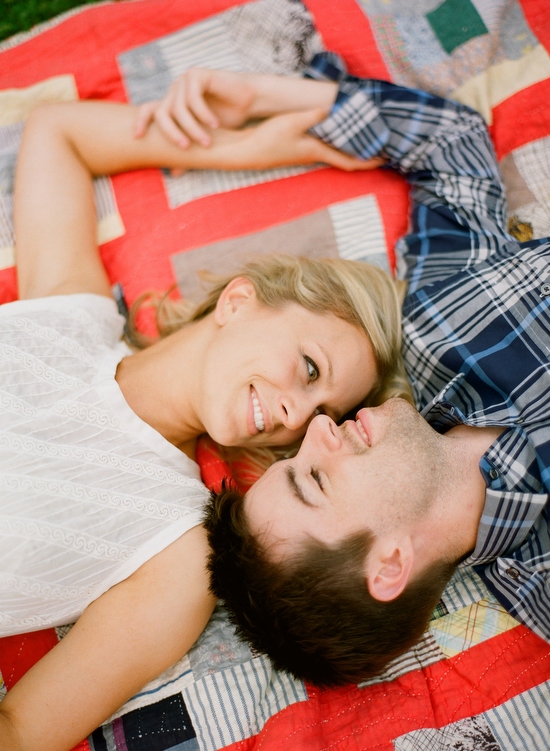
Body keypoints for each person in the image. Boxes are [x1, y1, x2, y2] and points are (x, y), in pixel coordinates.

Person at [0, 85, 408, 749]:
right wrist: (252, 143)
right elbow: (57, 133)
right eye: (308, 368)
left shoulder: (178, 559)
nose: (294, 411)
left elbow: (19, 731)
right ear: (240, 300)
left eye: (319, 413)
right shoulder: (67, 310)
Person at [202, 53, 550, 688]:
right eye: (314, 480)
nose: (316, 430)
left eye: (294, 459)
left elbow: (451, 145)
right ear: (390, 565)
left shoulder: (435, 328)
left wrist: (262, 88)